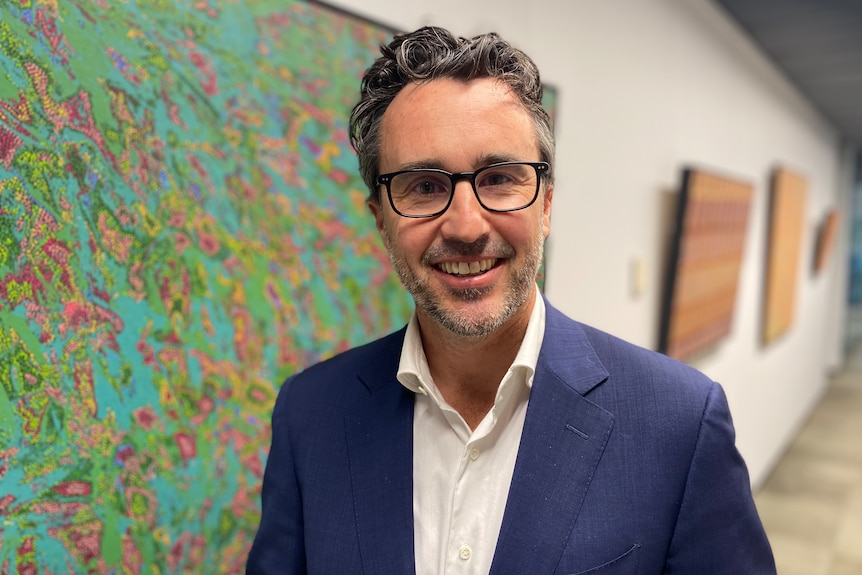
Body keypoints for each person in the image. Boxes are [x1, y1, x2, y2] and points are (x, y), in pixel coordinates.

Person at [246, 26, 776, 575]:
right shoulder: (309, 416)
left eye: (499, 178)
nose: (466, 226)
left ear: (545, 205)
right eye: (424, 186)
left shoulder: (680, 424)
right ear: (381, 218)